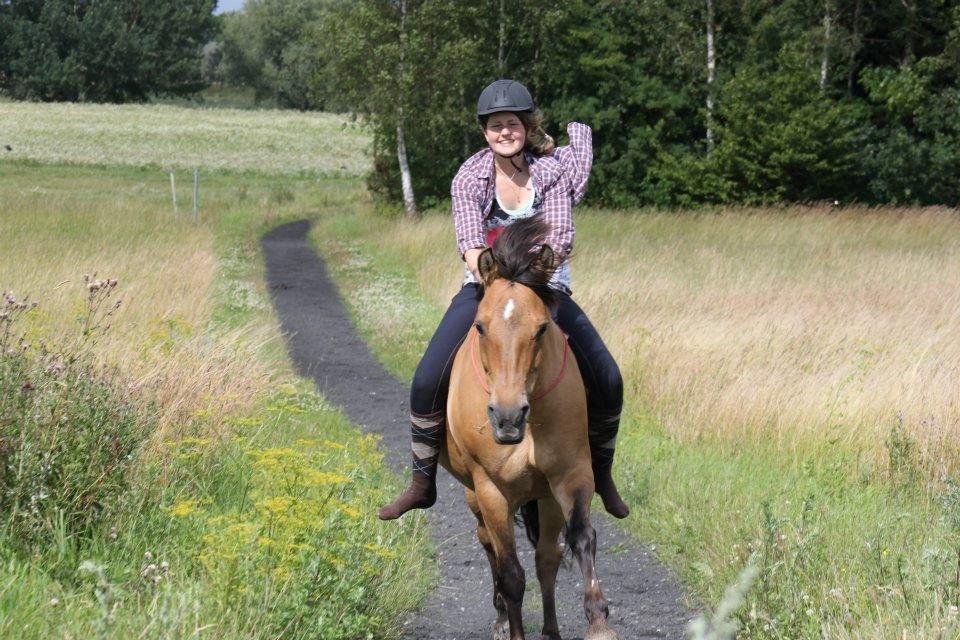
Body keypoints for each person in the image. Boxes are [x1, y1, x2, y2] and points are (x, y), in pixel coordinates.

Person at [378, 79, 629, 520]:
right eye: (495, 126)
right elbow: (472, 242)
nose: (504, 132)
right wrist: (490, 275)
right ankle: (422, 479)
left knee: (607, 376)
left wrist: (534, 277)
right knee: (425, 378)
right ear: (485, 131)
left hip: (543, 291)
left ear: (525, 127)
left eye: (511, 124)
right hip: (485, 290)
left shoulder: (550, 172)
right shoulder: (469, 176)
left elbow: (558, 236)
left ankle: (602, 473)